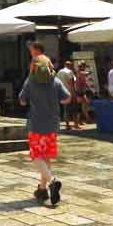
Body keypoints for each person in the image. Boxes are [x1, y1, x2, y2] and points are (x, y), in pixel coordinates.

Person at [19, 42, 70, 206]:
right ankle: (42, 189)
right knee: (46, 157)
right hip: (52, 124)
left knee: (36, 156)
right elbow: (67, 98)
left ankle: (52, 181)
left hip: (36, 125)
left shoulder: (30, 81)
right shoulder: (55, 82)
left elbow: (21, 100)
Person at [56, 61, 78, 130]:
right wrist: (74, 93)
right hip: (69, 92)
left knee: (66, 109)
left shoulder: (59, 72)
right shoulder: (69, 72)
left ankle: (67, 124)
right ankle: (75, 124)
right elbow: (71, 83)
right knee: (74, 109)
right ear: (70, 66)